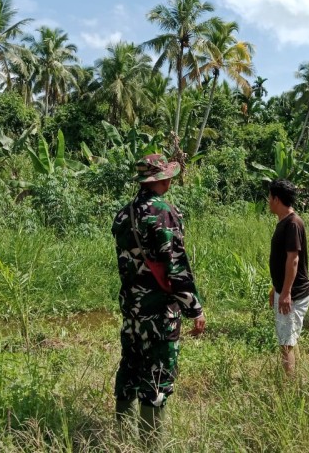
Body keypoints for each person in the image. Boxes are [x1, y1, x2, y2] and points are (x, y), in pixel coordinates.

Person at [111, 153, 206, 439]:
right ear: (161, 180)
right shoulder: (163, 213)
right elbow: (175, 266)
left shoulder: (124, 213)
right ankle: (149, 443)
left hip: (132, 308)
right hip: (159, 312)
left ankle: (121, 437)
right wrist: (194, 308)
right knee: (157, 375)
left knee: (130, 367)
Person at [267, 178, 309, 376]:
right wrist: (276, 288)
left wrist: (285, 293)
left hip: (293, 293)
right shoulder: (285, 222)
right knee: (288, 338)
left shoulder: (292, 223)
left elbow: (293, 260)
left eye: (269, 197)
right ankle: (293, 377)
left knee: (286, 342)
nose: (268, 201)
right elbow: (283, 260)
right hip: (285, 289)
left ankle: (289, 385)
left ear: (276, 199)